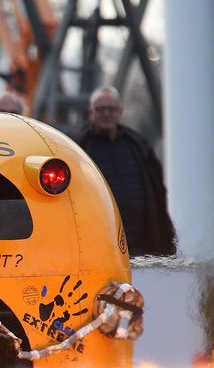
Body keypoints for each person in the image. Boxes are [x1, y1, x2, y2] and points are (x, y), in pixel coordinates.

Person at [75, 86, 176, 257]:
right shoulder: (78, 149)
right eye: (101, 109)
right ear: (91, 112)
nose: (107, 114)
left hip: (141, 243)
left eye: (111, 109)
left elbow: (157, 191)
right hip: (99, 246)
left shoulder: (138, 145)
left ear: (120, 111)